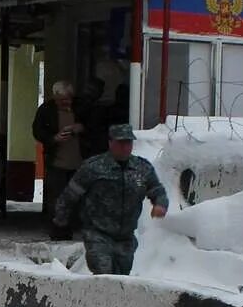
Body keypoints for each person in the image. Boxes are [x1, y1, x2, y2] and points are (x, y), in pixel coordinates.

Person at [54, 123, 169, 275]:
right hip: (97, 233)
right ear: (110, 143)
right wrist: (60, 220)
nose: (125, 147)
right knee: (104, 275)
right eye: (120, 143)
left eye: (128, 143)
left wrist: (160, 204)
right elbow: (70, 195)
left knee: (122, 278)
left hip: (125, 236)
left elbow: (157, 190)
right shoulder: (93, 167)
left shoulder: (142, 168)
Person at [32, 81, 83, 239]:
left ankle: (71, 227)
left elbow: (95, 126)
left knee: (76, 196)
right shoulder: (46, 110)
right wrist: (54, 138)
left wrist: (79, 128)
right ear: (55, 98)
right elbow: (37, 131)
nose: (65, 103)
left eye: (68, 99)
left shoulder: (80, 108)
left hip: (78, 163)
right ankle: (57, 228)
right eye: (61, 100)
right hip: (56, 161)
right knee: (56, 197)